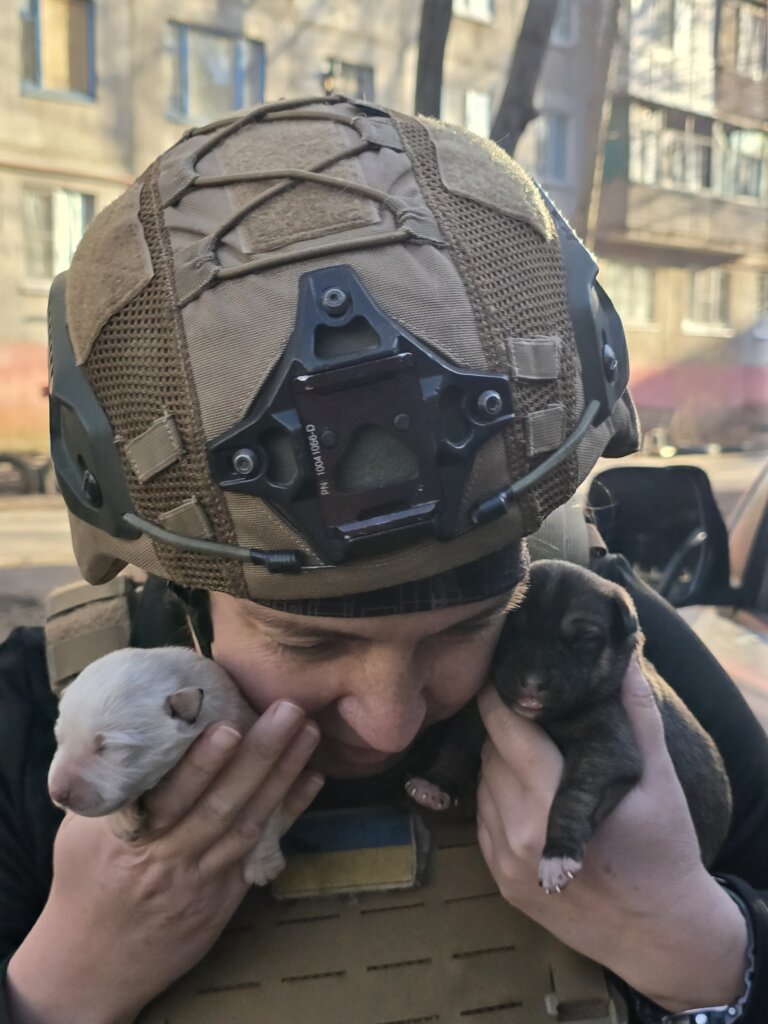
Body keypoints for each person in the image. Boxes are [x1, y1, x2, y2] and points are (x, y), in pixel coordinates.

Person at [0, 95, 766, 1024]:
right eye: (308, 641)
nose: (394, 722)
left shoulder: (608, 656)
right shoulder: (37, 738)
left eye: (470, 625)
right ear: (178, 582)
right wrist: (59, 984)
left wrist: (701, 949)